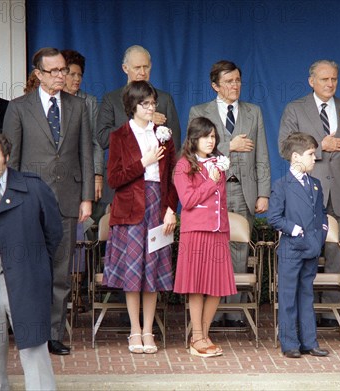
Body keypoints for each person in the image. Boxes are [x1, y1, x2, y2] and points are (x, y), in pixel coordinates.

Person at [3, 47, 95, 356]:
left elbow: (85, 152)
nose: (62, 76)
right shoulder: (18, 108)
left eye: (64, 70)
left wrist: (86, 199)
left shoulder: (78, 107)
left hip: (68, 200)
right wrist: (10, 201)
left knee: (60, 272)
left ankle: (54, 334)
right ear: (38, 74)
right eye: (54, 71)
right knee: (28, 270)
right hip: (28, 200)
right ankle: (30, 332)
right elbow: (11, 160)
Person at [0, 132, 63, 390]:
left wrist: (37, 266)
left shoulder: (33, 187)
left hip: (26, 279)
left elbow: (54, 233)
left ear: (6, 157)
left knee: (34, 351)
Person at [278, 60, 340, 327]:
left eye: (334, 79)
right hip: (306, 195)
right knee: (305, 254)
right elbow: (284, 147)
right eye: (324, 79)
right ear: (311, 80)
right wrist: (321, 147)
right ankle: (306, 314)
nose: (330, 84)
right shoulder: (295, 108)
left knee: (337, 254)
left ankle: (331, 313)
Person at [188, 60, 270, 328]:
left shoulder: (253, 111)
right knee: (214, 252)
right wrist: (228, 145)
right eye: (228, 81)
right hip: (211, 193)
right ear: (215, 85)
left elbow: (262, 155)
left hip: (244, 190)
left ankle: (234, 313)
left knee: (239, 251)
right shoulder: (200, 111)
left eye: (237, 80)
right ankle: (213, 314)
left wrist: (263, 193)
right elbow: (192, 151)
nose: (235, 86)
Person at [102, 80, 178, 354]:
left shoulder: (163, 135)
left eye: (153, 103)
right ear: (132, 106)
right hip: (130, 209)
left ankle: (149, 330)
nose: (150, 108)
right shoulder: (119, 136)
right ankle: (134, 330)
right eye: (145, 103)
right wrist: (142, 163)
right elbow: (113, 179)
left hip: (158, 204)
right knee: (134, 271)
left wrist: (171, 208)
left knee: (153, 271)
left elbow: (172, 177)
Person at [173, 117, 237, 358]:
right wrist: (211, 181)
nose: (210, 141)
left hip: (218, 231)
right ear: (193, 139)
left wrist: (226, 230)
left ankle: (203, 335)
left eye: (213, 136)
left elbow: (221, 203)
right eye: (205, 136)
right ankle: (197, 337)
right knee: (197, 286)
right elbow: (187, 201)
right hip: (196, 232)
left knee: (217, 287)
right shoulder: (183, 165)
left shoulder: (218, 163)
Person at [267, 132, 330, 359]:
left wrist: (321, 233)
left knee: (306, 295)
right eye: (311, 154)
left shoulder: (315, 184)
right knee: (287, 297)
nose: (315, 158)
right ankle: (289, 343)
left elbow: (322, 214)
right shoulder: (282, 185)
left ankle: (309, 342)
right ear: (295, 157)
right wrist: (294, 230)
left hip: (311, 247)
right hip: (291, 249)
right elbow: (273, 217)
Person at [97, 45, 181, 150]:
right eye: (137, 68)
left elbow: (175, 145)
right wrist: (138, 122)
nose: (142, 72)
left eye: (146, 67)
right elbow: (103, 139)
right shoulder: (111, 99)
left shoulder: (164, 99)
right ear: (125, 68)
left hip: (158, 165)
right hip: (123, 165)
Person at [61, 49, 105, 203]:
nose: (77, 79)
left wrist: (97, 174)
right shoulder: (52, 100)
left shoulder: (89, 101)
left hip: (81, 172)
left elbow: (96, 140)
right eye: (72, 74)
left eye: (80, 75)